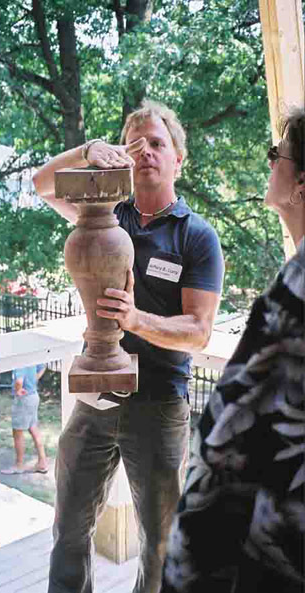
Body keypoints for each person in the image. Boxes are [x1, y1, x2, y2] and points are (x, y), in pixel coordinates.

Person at [33, 99, 225, 593]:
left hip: (159, 402)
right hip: (97, 395)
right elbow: (42, 184)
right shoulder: (102, 213)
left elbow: (199, 330)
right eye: (136, 146)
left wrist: (137, 319)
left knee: (160, 542)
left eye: (157, 144)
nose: (146, 155)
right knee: (69, 529)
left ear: (178, 158)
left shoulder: (196, 236)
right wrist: (90, 149)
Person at [161, 109, 305, 593]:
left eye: (274, 156)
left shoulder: (298, 291)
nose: (269, 167)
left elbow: (227, 448)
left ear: (301, 184)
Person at [1, 364, 48, 475]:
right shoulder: (30, 357)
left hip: (24, 398)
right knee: (33, 428)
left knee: (17, 432)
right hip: (33, 395)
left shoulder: (19, 361)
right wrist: (33, 381)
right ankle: (42, 463)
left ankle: (19, 465)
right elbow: (43, 366)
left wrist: (18, 390)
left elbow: (19, 381)